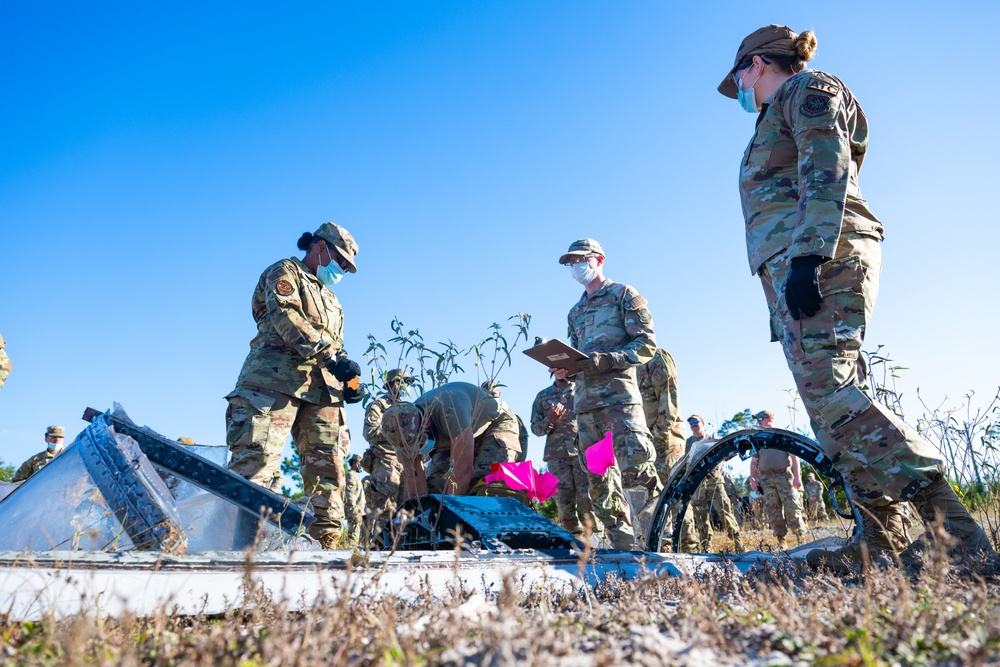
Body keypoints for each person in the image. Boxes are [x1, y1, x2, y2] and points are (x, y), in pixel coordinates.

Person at [720, 24, 994, 569]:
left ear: (756, 63)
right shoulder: (777, 112)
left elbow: (828, 167)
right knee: (830, 407)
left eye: (739, 77)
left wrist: (808, 256)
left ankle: (955, 532)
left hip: (821, 255)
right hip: (797, 262)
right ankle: (880, 541)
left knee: (832, 393)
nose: (740, 89)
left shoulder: (807, 90)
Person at [224, 222, 362, 549]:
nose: (340, 270)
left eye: (345, 267)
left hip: (323, 394)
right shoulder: (284, 272)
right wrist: (333, 358)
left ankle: (326, 562)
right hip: (272, 385)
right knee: (254, 471)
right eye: (339, 261)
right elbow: (288, 319)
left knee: (329, 478)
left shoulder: (333, 301)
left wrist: (351, 381)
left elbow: (335, 347)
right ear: (319, 247)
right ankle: (244, 560)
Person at [550, 238, 661, 550]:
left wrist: (608, 360)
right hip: (586, 411)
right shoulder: (575, 312)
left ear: (598, 259)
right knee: (601, 485)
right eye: (570, 263)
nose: (575, 267)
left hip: (619, 405)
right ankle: (625, 555)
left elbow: (646, 344)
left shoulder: (623, 295)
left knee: (637, 474)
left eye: (579, 260)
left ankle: (657, 549)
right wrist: (565, 370)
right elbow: (577, 357)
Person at [380, 382, 523, 500]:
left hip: (494, 424)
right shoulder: (400, 435)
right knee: (434, 493)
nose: (416, 448)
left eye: (418, 441)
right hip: (451, 439)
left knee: (483, 487)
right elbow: (415, 482)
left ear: (426, 422)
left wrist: (451, 521)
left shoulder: (450, 408)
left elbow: (461, 474)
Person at [530, 375, 596, 536]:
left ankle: (598, 541)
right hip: (556, 457)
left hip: (583, 454)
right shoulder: (542, 396)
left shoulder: (582, 391)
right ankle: (573, 545)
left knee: (589, 499)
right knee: (564, 504)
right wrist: (550, 419)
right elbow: (536, 429)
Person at [361, 369, 411, 537]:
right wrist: (395, 432)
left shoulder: (408, 407)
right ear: (391, 384)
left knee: (407, 510)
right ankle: (378, 548)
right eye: (401, 382)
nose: (405, 386)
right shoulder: (378, 405)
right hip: (385, 461)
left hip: (406, 462)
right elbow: (369, 432)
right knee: (385, 509)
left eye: (408, 383)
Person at [749, 410, 806, 548]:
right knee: (773, 510)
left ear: (771, 418)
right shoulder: (758, 439)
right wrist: (753, 480)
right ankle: (782, 543)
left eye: (761, 418)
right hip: (766, 479)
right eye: (758, 419)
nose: (759, 421)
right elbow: (754, 461)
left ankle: (801, 541)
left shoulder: (781, 435)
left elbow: (794, 456)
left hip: (784, 477)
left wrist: (797, 477)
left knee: (793, 509)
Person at [686, 415, 744, 552]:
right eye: (691, 422)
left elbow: (730, 452)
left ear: (703, 423)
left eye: (696, 421)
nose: (693, 424)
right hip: (698, 484)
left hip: (714, 480)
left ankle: (738, 544)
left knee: (725, 513)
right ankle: (706, 547)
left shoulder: (713, 439)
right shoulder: (688, 443)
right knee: (701, 518)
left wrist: (719, 463)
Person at [636, 348, 687, 486]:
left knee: (673, 498)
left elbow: (669, 400)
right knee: (651, 502)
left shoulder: (654, 356)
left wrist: (658, 434)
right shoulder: (628, 365)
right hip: (643, 445)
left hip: (664, 443)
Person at [481, 381, 530, 462]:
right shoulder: (476, 416)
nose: (489, 398)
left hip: (501, 464)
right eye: (485, 395)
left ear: (499, 394)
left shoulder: (512, 418)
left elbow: (523, 444)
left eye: (492, 394)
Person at [345, 454, 366, 544]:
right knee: (353, 539)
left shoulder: (354, 476)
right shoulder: (351, 476)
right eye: (360, 463)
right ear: (357, 463)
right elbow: (350, 494)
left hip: (358, 512)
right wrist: (353, 512)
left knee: (357, 538)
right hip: (355, 513)